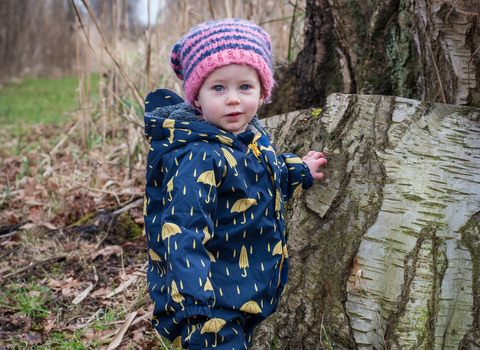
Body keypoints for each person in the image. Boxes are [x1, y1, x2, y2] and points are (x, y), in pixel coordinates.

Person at [143, 18, 327, 350]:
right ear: (196, 97)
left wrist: (296, 170)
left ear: (262, 90)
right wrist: (194, 302)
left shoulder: (249, 140)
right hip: (207, 301)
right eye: (218, 88)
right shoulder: (198, 155)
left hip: (241, 289)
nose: (233, 100)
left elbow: (257, 181)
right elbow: (183, 230)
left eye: (245, 87)